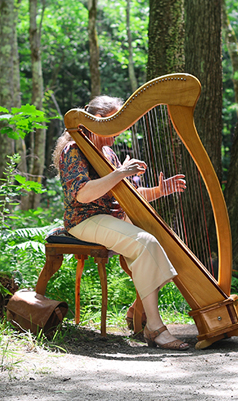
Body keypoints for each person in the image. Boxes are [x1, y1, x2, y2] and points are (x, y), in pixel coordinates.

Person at [52, 95, 190, 350]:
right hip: (85, 220)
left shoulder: (108, 153)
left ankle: (138, 310)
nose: (121, 129)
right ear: (101, 120)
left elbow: (127, 194)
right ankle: (155, 328)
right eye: (116, 122)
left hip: (110, 218)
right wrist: (119, 173)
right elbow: (83, 194)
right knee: (146, 242)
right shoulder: (74, 150)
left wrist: (161, 190)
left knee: (165, 245)